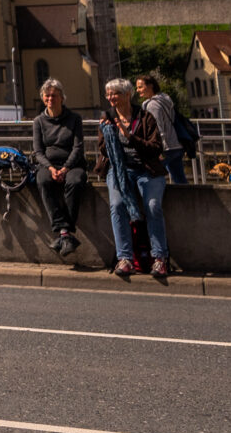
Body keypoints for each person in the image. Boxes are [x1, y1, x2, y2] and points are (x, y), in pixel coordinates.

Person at [99, 78, 172, 279]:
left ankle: (160, 258)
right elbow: (104, 151)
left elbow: (156, 147)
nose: (111, 98)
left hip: (146, 169)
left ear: (127, 95)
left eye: (116, 93)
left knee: (153, 206)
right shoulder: (107, 117)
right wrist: (108, 134)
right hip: (119, 170)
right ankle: (125, 258)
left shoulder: (145, 117)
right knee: (117, 205)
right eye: (109, 94)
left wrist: (129, 137)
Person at [29, 80, 86, 258]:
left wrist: (66, 168)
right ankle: (65, 233)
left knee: (75, 182)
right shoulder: (39, 121)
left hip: (72, 164)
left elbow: (78, 147)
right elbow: (38, 151)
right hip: (50, 164)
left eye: (54, 95)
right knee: (43, 180)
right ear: (43, 98)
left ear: (62, 97)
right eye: (47, 95)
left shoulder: (74, 119)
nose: (50, 98)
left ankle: (63, 233)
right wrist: (51, 168)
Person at [137, 72, 188, 187]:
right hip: (176, 145)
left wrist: (158, 150)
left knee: (149, 174)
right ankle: (188, 202)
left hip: (166, 148)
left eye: (140, 87)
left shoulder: (152, 105)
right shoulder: (164, 99)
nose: (138, 90)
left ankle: (152, 200)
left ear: (150, 86)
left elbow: (158, 128)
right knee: (180, 179)